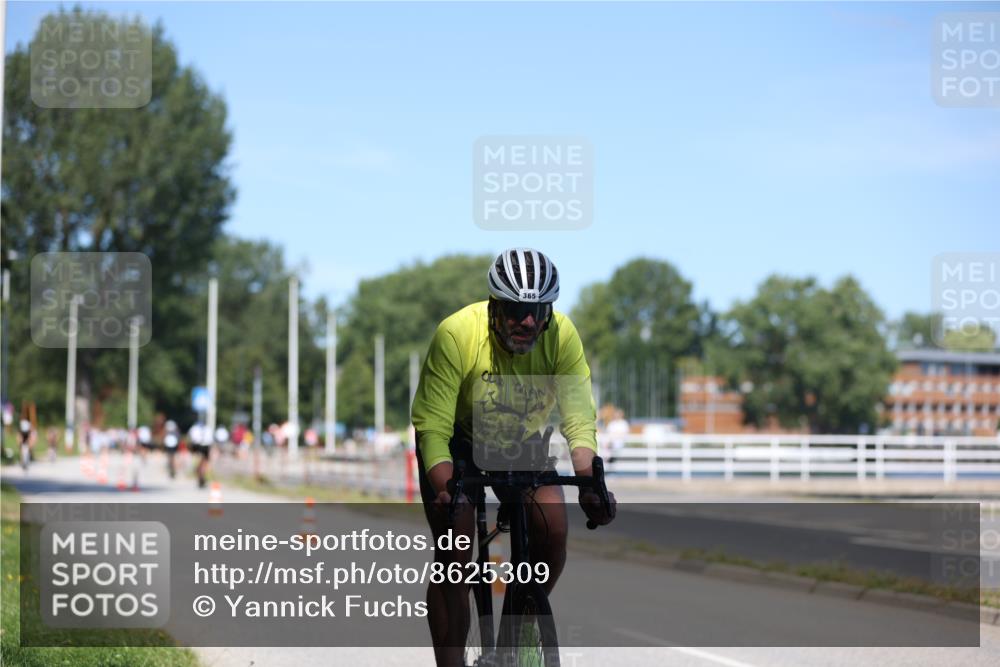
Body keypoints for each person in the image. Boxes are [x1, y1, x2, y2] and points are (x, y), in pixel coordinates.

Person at [411, 248, 617, 667]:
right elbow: (433, 426)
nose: (526, 321)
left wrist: (590, 483)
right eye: (515, 310)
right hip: (455, 441)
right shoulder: (457, 334)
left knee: (553, 531)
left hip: (519, 441)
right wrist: (445, 490)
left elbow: (579, 417)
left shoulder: (562, 335)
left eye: (537, 310)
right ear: (494, 306)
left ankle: (514, 642)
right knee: (457, 547)